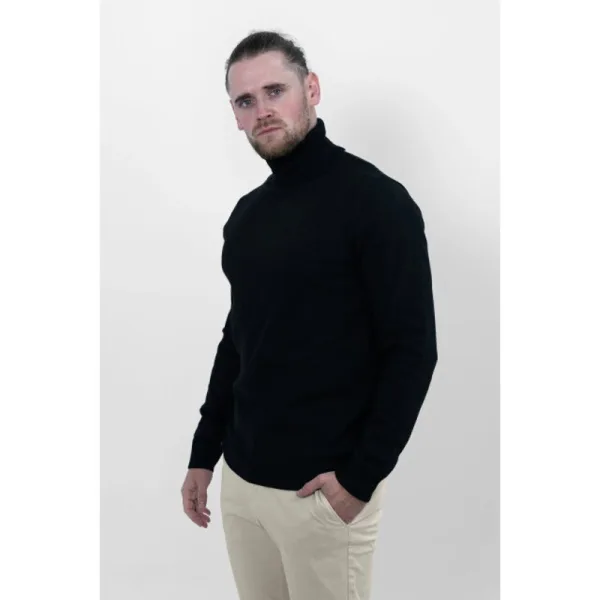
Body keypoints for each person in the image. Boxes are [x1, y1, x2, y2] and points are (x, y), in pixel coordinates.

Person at [181, 29, 438, 600]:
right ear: (235, 116)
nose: (262, 110)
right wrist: (205, 453)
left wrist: (359, 479)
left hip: (321, 494)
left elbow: (413, 351)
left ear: (312, 89)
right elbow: (239, 339)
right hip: (243, 487)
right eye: (245, 101)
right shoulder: (247, 217)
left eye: (275, 91)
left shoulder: (378, 203)